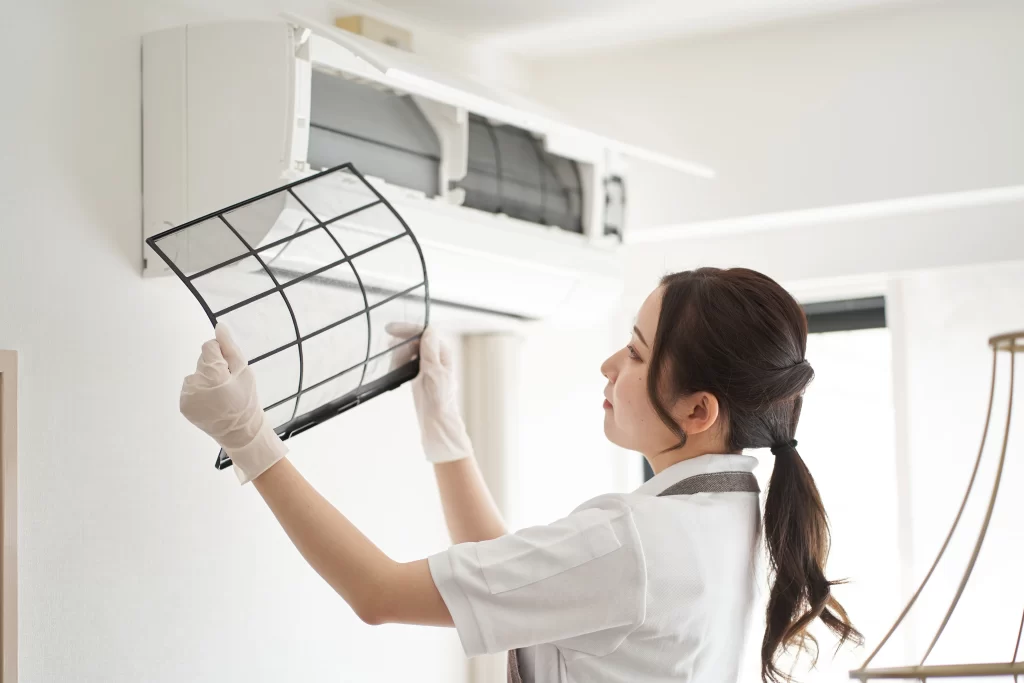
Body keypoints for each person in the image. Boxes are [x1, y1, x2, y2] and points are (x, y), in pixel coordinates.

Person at [179, 267, 861, 683]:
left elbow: (378, 592)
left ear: (699, 407)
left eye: (634, 351)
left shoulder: (640, 539)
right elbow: (518, 589)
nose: (607, 366)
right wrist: (447, 433)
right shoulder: (731, 516)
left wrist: (251, 439)